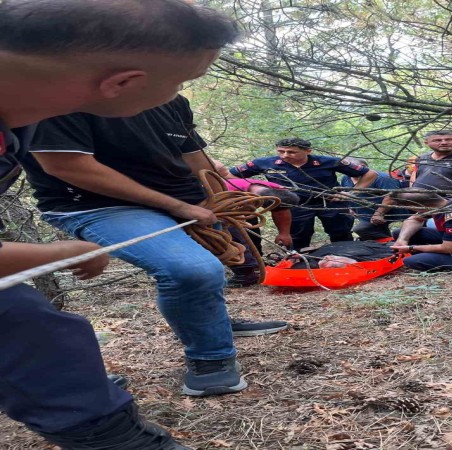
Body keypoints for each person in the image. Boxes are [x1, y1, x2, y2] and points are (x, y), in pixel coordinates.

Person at [0, 0, 238, 448]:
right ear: (123, 82)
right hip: (98, 209)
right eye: (182, 82)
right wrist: (59, 252)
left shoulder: (19, 116)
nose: (178, 93)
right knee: (21, 320)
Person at [24, 94, 292, 394]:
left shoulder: (171, 98)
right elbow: (68, 166)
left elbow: (195, 157)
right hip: (100, 205)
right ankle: (210, 357)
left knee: (208, 265)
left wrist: (218, 202)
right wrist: (178, 207)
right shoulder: (61, 95)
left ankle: (212, 323)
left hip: (188, 199)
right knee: (191, 270)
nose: (178, 86)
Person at [229, 138, 377, 250]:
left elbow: (369, 174)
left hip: (331, 203)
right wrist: (253, 191)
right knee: (297, 237)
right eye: (281, 151)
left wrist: (350, 193)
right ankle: (299, 263)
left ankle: (347, 258)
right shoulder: (265, 163)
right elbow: (231, 176)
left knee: (341, 233)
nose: (285, 155)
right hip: (295, 206)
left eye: (291, 152)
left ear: (308, 151)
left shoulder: (327, 161)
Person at [213, 159, 300, 286]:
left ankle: (251, 269)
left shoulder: (277, 189)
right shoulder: (224, 189)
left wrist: (284, 233)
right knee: (229, 234)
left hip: (245, 208)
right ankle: (247, 270)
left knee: (248, 235)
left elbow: (281, 210)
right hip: (223, 210)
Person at [339, 157, 409, 241]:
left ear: (362, 166)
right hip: (366, 214)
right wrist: (350, 207)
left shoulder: (383, 178)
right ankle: (385, 242)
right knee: (366, 231)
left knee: (362, 229)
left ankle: (391, 242)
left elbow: (392, 197)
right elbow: (347, 193)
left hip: (390, 212)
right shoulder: (346, 178)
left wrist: (379, 213)